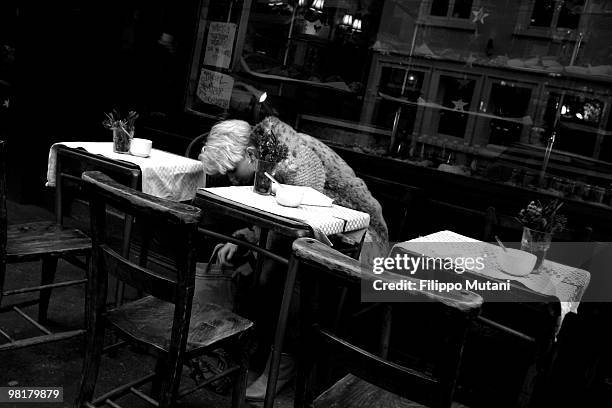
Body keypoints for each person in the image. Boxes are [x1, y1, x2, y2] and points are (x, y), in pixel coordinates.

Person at [198, 116, 389, 399]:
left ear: (251, 154)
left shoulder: (292, 156)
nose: (231, 178)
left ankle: (283, 365)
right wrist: (247, 240)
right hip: (320, 233)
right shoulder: (269, 154)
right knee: (262, 266)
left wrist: (255, 250)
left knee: (288, 272)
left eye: (231, 170)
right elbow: (281, 216)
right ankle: (259, 354)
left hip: (363, 239)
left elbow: (303, 216)